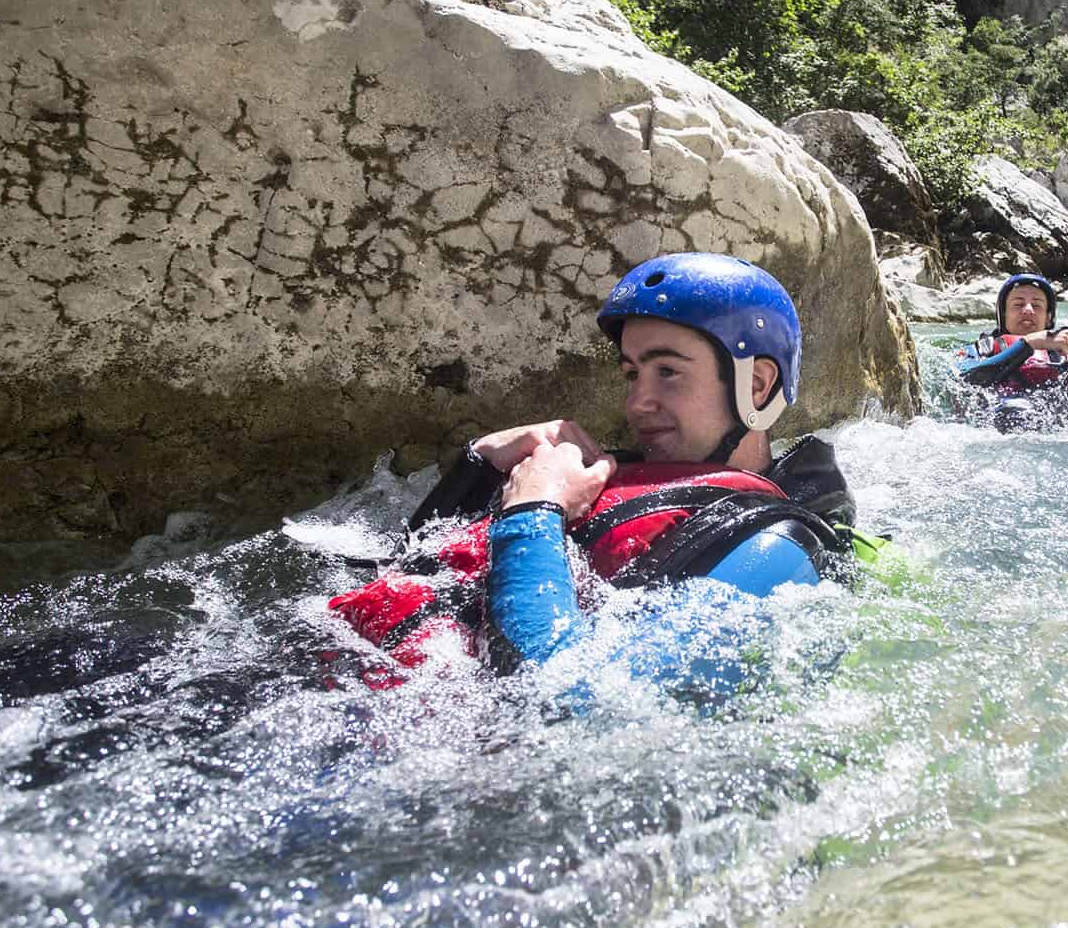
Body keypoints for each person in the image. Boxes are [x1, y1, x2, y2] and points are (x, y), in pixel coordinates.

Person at [327, 252, 893, 696]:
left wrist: (532, 514)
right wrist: (479, 465)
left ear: (758, 385)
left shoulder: (776, 550)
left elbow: (561, 699)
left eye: (668, 371)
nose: (637, 403)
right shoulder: (611, 475)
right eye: (632, 374)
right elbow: (414, 569)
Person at [953, 274, 1068, 430]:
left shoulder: (1063, 359)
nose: (1028, 310)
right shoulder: (982, 349)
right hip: (992, 428)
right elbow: (961, 377)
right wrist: (1027, 344)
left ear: (1048, 318)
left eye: (1037, 305)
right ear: (1004, 314)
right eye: (1018, 304)